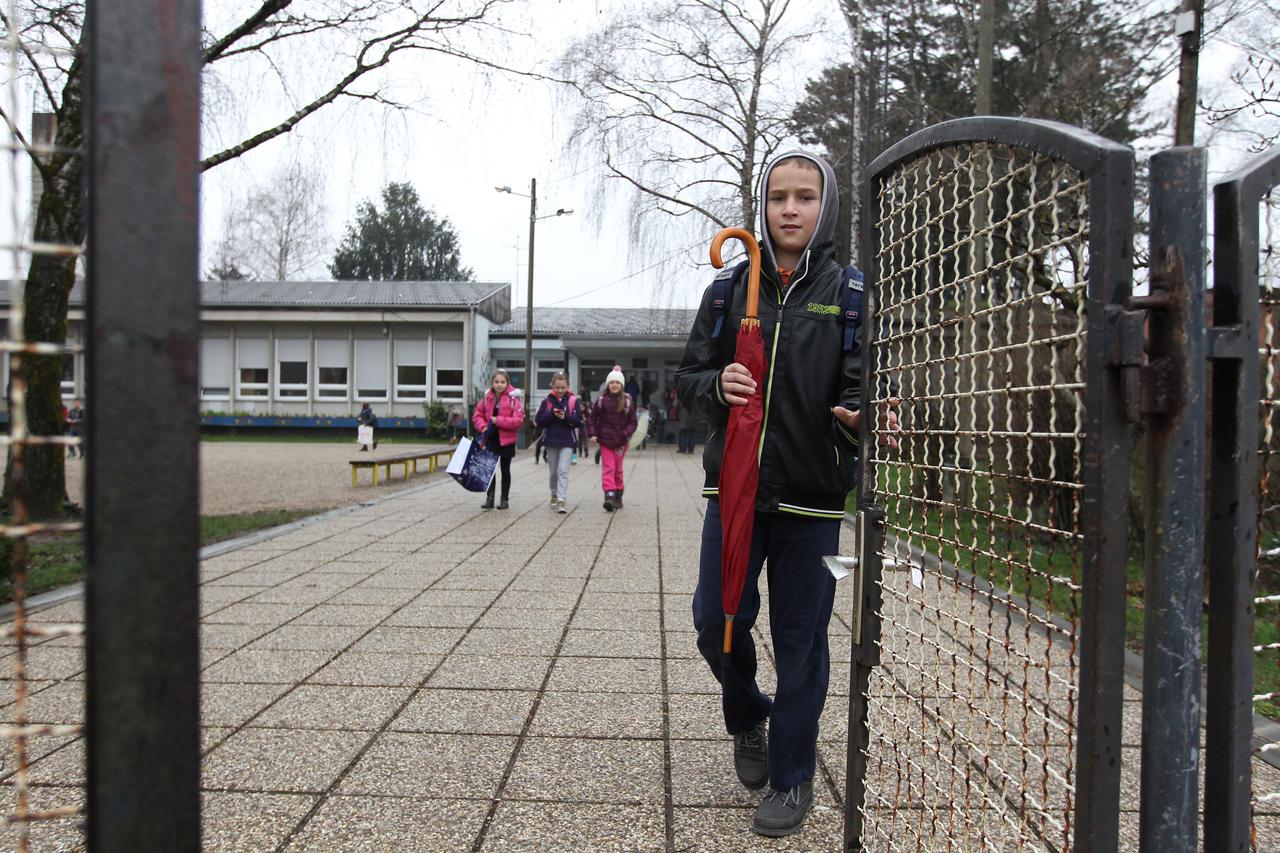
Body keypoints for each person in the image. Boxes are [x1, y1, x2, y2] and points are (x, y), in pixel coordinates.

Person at [675, 150, 900, 838]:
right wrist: (716, 387)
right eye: (778, 197)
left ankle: (792, 772)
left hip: (813, 500)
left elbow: (869, 386)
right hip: (735, 492)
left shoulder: (854, 294)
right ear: (762, 207)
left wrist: (865, 415)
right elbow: (686, 380)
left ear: (824, 206)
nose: (791, 209)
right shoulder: (727, 292)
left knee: (801, 642)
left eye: (805, 196)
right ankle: (748, 716)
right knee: (717, 620)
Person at [586, 368, 637, 512]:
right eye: (612, 382)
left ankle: (618, 494)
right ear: (608, 384)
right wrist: (593, 433)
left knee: (618, 469)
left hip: (621, 441)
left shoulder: (627, 401)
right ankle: (609, 495)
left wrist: (625, 433)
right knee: (608, 467)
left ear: (621, 385)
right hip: (605, 440)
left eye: (617, 382)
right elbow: (592, 418)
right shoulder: (601, 400)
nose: (614, 385)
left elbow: (633, 422)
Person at [472, 369, 523, 510]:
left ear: (507, 383)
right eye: (496, 382)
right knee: (489, 469)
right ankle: (490, 498)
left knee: (505, 470)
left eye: (502, 382)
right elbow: (477, 415)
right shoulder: (486, 398)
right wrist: (483, 426)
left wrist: (497, 420)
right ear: (492, 383)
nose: (499, 385)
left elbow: (517, 421)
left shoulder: (514, 399)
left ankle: (504, 499)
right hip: (491, 439)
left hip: (507, 440)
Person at [534, 371, 583, 513]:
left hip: (567, 441)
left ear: (568, 386)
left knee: (563, 470)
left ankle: (562, 499)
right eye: (557, 387)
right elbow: (539, 421)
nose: (560, 390)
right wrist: (552, 414)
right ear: (553, 386)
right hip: (551, 440)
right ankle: (554, 493)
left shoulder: (573, 401)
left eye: (563, 387)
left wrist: (566, 416)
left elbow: (578, 422)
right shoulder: (547, 401)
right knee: (553, 472)